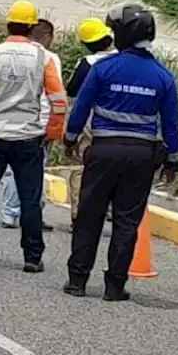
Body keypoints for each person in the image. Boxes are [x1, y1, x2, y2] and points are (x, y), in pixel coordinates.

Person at [63, 3, 178, 301]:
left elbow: (80, 108)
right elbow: (171, 125)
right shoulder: (163, 76)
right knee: (127, 221)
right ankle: (115, 285)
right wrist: (173, 160)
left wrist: (69, 138)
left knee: (90, 215)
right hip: (142, 156)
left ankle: (77, 280)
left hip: (103, 150)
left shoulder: (103, 68)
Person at [0, 0, 67, 273]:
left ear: (8, 24)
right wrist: (51, 132)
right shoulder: (43, 59)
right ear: (31, 28)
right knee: (30, 199)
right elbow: (59, 101)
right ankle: (32, 257)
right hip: (28, 137)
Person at [0, 18, 59, 230]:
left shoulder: (9, 53)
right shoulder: (49, 58)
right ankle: (32, 213)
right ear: (47, 36)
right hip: (39, 121)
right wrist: (54, 126)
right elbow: (56, 96)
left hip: (9, 119)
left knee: (12, 168)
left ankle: (9, 212)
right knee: (35, 170)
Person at [63, 18, 115, 229]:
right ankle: (110, 210)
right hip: (116, 126)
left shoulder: (87, 64)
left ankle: (79, 214)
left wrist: (69, 136)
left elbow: (73, 91)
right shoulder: (122, 60)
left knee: (81, 169)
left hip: (89, 124)